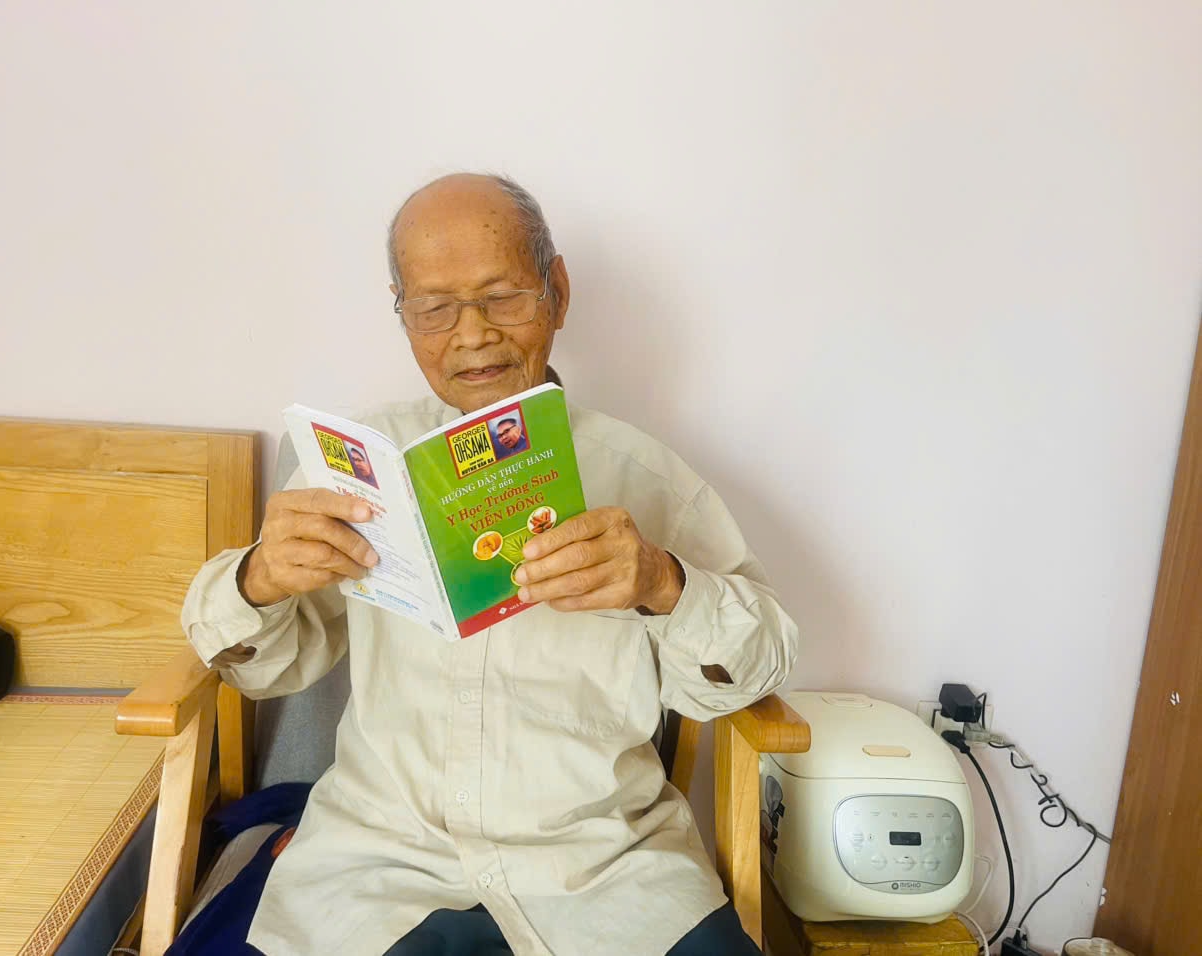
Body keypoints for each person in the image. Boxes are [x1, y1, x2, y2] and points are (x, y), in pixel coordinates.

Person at [182, 173, 799, 956]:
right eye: (434, 309)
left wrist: (661, 582)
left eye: (502, 297)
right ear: (403, 314)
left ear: (557, 292)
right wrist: (258, 580)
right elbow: (262, 668)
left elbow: (758, 663)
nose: (471, 336)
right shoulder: (360, 469)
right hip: (379, 864)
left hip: (603, 872)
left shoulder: (643, 475)